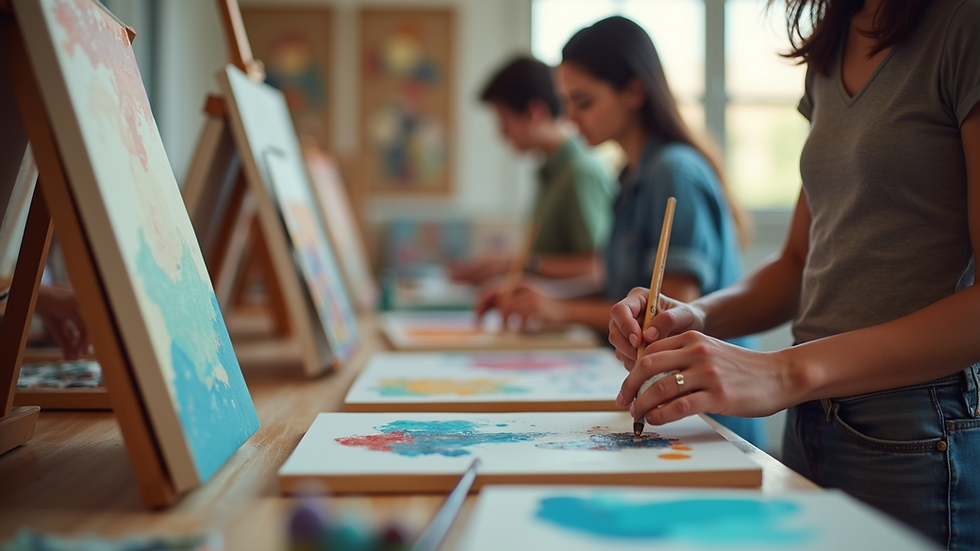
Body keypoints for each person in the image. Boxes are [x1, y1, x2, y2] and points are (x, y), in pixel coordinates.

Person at [607, 0, 980, 548]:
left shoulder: (964, 24)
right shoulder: (831, 46)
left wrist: (783, 373)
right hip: (811, 418)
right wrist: (693, 314)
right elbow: (797, 265)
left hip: (916, 426)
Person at [479, 17, 763, 447]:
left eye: (583, 102)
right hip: (666, 408)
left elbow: (669, 315)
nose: (570, 119)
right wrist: (546, 296)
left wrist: (561, 310)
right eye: (566, 102)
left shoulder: (673, 172)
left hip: (708, 419)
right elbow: (616, 286)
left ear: (633, 91)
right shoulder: (630, 176)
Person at [449, 55, 614, 284]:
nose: (501, 133)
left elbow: (598, 266)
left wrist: (519, 264)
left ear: (535, 113)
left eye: (504, 120)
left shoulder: (580, 173)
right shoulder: (550, 172)